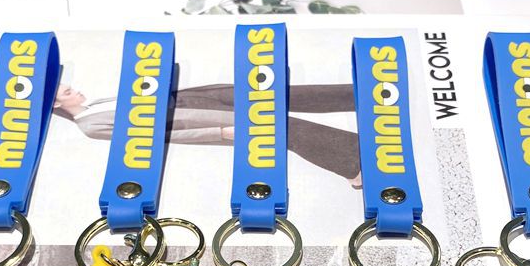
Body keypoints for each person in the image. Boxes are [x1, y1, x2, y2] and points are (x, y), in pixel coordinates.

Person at [54, 83, 361, 185]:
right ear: (56, 104)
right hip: (196, 118)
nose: (74, 89)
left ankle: (356, 95)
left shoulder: (97, 102)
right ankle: (353, 161)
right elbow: (159, 136)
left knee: (274, 93)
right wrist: (219, 133)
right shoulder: (91, 125)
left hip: (193, 97)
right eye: (67, 92)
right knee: (278, 127)